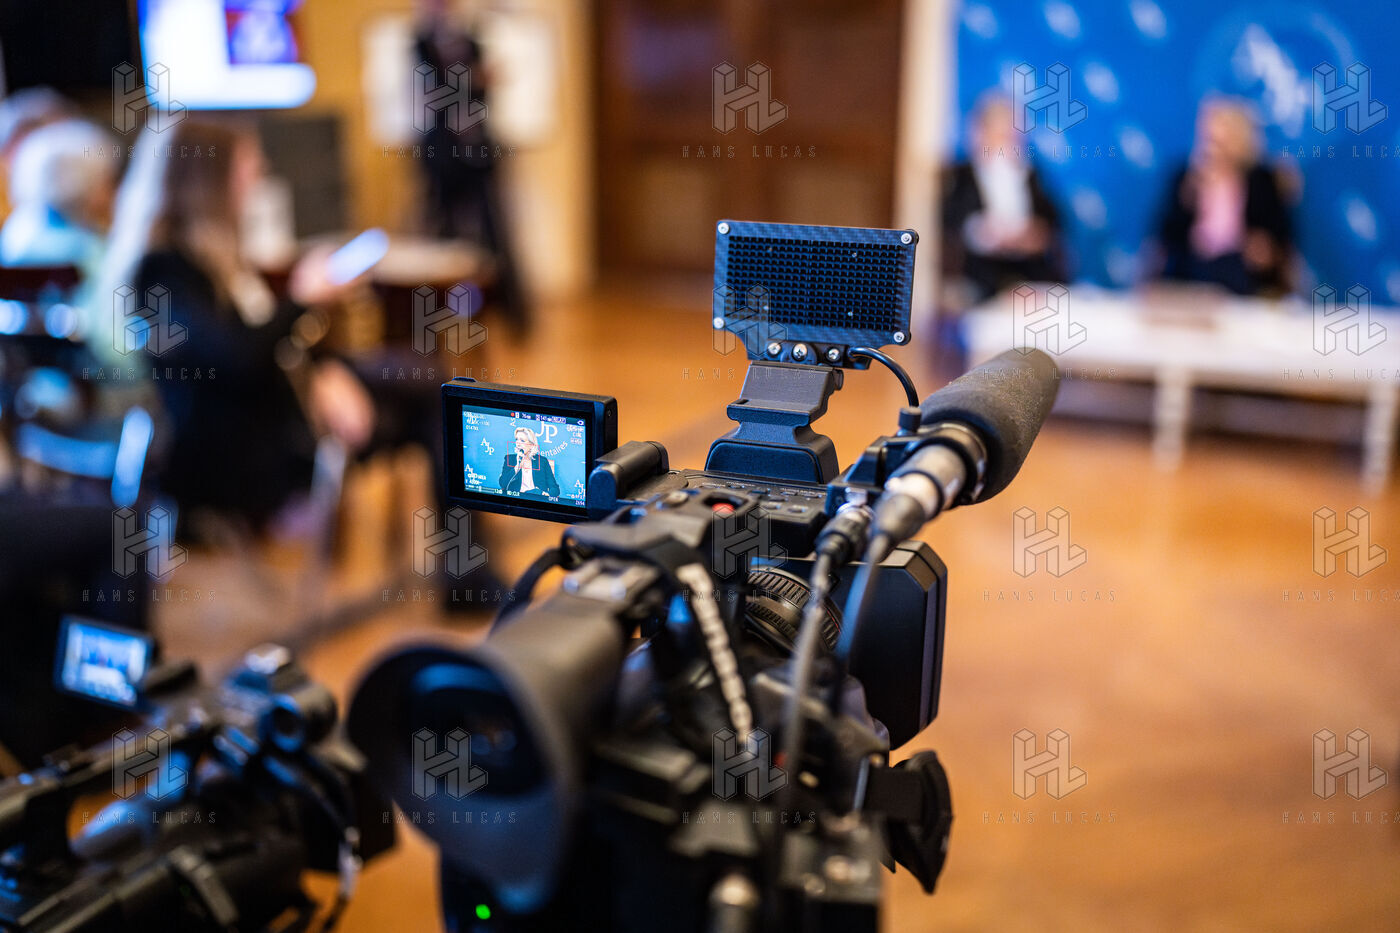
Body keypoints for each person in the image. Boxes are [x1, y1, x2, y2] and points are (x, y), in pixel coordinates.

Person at [98, 119, 375, 530]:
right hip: (231, 452)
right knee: (421, 402)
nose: (259, 177)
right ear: (209, 180)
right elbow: (236, 358)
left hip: (262, 423)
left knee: (414, 386)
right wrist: (302, 299)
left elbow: (256, 348)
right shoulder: (165, 271)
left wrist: (323, 371)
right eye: (248, 167)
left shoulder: (216, 259)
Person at [414, 0, 531, 336]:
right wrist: (473, 81)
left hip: (477, 147)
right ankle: (438, 317)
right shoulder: (421, 43)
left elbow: (480, 96)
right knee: (442, 236)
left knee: (495, 232)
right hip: (443, 155)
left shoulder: (472, 40)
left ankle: (511, 312)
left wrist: (478, 83)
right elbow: (435, 93)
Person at [1155, 97, 1292, 296]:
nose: (1213, 147)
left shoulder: (1261, 180)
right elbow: (1167, 233)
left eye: (1222, 141)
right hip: (1192, 268)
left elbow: (1278, 234)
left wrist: (1265, 248)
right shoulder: (1186, 178)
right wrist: (1189, 200)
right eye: (1209, 139)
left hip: (1242, 268)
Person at [941, 94, 1065, 302]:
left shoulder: (1031, 174)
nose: (1007, 142)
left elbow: (1052, 222)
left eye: (1012, 135)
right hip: (979, 280)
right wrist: (984, 233)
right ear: (980, 133)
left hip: (1030, 277)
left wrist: (1034, 234)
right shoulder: (960, 177)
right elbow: (951, 224)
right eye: (999, 134)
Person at [0, 118, 120, 269]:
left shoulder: (16, 231)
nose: (114, 192)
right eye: (107, 179)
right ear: (82, 182)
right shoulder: (87, 248)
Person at [499, 426, 558, 498]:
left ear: (531, 445)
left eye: (522, 441)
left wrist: (547, 494)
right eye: (517, 439)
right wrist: (516, 468)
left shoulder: (542, 461)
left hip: (536, 498)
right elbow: (503, 484)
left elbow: (555, 488)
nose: (518, 443)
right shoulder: (510, 459)